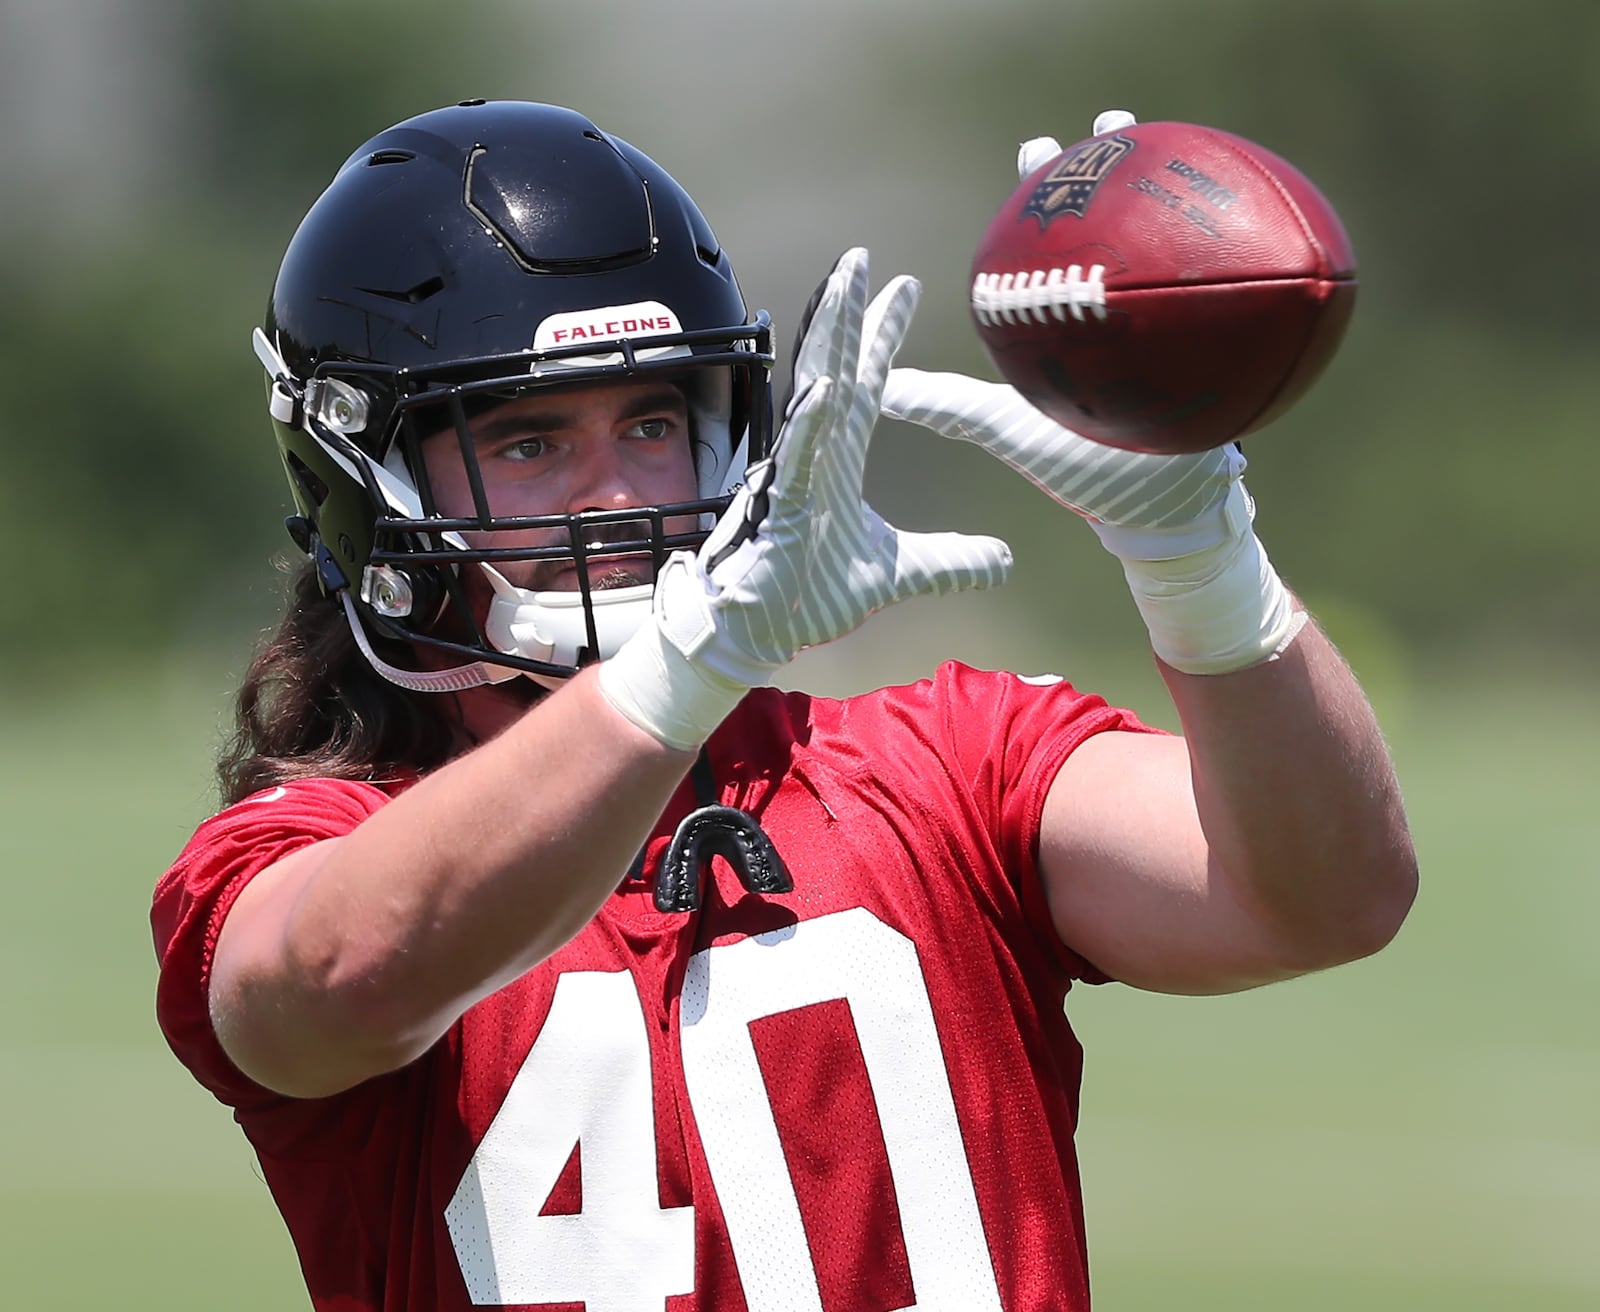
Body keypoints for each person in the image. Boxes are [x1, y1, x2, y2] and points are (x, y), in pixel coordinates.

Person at [151, 98, 1416, 1311]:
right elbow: (341, 977)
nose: (612, 496)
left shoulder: (938, 764)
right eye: (530, 443)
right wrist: (682, 670)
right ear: (363, 477)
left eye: (652, 421)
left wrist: (1198, 553)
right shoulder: (293, 857)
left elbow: (1321, 896)